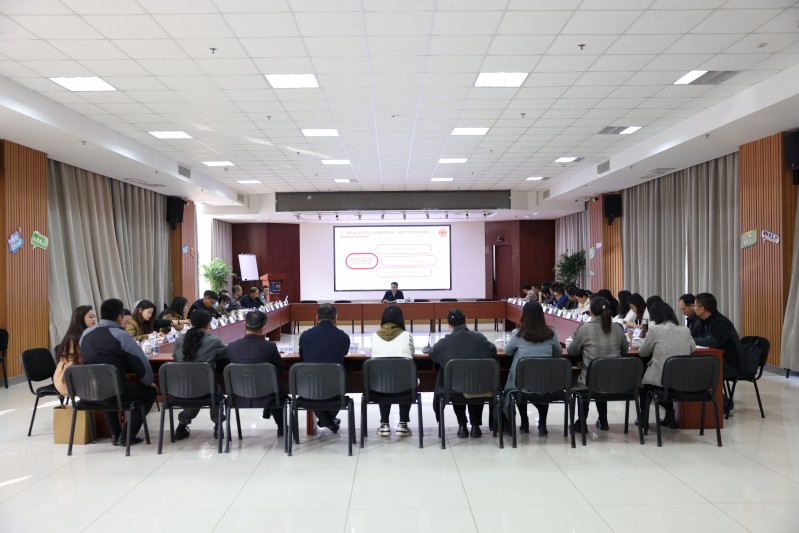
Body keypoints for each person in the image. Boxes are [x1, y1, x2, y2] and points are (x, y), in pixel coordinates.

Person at [80, 298, 156, 445]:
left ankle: (115, 434)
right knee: (149, 392)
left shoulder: (85, 334)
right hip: (117, 392)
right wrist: (148, 382)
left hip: (89, 391)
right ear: (120, 316)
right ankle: (127, 436)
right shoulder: (122, 336)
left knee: (104, 385)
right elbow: (142, 364)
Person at [429, 308, 497, 438]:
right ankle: (475, 426)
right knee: (475, 382)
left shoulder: (445, 342)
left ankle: (462, 425)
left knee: (455, 383)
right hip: (479, 387)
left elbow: (432, 354)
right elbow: (492, 351)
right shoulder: (479, 338)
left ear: (449, 325)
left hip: (454, 391)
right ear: (466, 320)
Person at [568, 296, 628, 431]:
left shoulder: (584, 329)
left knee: (587, 379)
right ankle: (603, 420)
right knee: (602, 376)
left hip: (591, 382)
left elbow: (572, 351)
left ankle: (582, 422)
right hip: (615, 380)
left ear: (591, 312)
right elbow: (625, 350)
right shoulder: (618, 328)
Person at [502, 301, 561, 436]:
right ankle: (542, 424)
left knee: (518, 388)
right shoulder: (551, 333)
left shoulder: (518, 333)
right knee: (543, 389)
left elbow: (507, 351)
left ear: (524, 316)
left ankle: (524, 422)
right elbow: (557, 353)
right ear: (541, 316)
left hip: (521, 382)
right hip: (545, 381)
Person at [637, 300, 696, 429]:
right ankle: (670, 417)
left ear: (655, 316)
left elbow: (642, 353)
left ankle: (643, 419)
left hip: (660, 379)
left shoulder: (655, 330)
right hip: (681, 379)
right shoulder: (685, 330)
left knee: (645, 386)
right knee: (667, 386)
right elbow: (693, 348)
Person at [226, 310, 287, 435]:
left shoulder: (231, 347)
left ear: (244, 325)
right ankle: (282, 426)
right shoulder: (269, 347)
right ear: (263, 327)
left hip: (238, 397)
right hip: (269, 397)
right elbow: (280, 369)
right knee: (277, 391)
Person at [172, 310, 228, 440]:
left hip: (181, 388)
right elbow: (226, 354)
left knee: (194, 389)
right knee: (214, 391)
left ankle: (182, 425)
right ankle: (218, 426)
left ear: (191, 323)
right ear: (208, 323)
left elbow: (175, 356)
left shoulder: (180, 339)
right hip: (206, 388)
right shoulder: (213, 340)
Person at [298, 303, 351, 432]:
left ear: (316, 318)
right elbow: (344, 353)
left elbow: (302, 356)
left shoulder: (305, 335)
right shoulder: (343, 336)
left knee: (317, 386)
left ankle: (326, 421)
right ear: (336, 318)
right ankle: (328, 421)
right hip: (336, 389)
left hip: (310, 389)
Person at [370, 306, 415, 438]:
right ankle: (403, 424)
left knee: (384, 378)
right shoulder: (407, 336)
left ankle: (384, 424)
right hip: (404, 386)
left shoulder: (374, 336)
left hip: (380, 386)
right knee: (405, 378)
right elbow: (412, 353)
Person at [691, 292, 743, 393]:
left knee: (696, 367)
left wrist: (690, 339)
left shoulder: (721, 322)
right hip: (716, 360)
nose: (694, 308)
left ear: (702, 309)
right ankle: (697, 399)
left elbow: (712, 342)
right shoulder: (703, 321)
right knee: (691, 364)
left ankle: (714, 399)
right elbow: (699, 338)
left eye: (695, 306)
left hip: (730, 365)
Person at [54, 305, 96, 396]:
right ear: (80, 319)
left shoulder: (87, 333)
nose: (94, 319)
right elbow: (80, 358)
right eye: (90, 317)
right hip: (69, 375)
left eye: (94, 316)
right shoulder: (75, 337)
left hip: (79, 370)